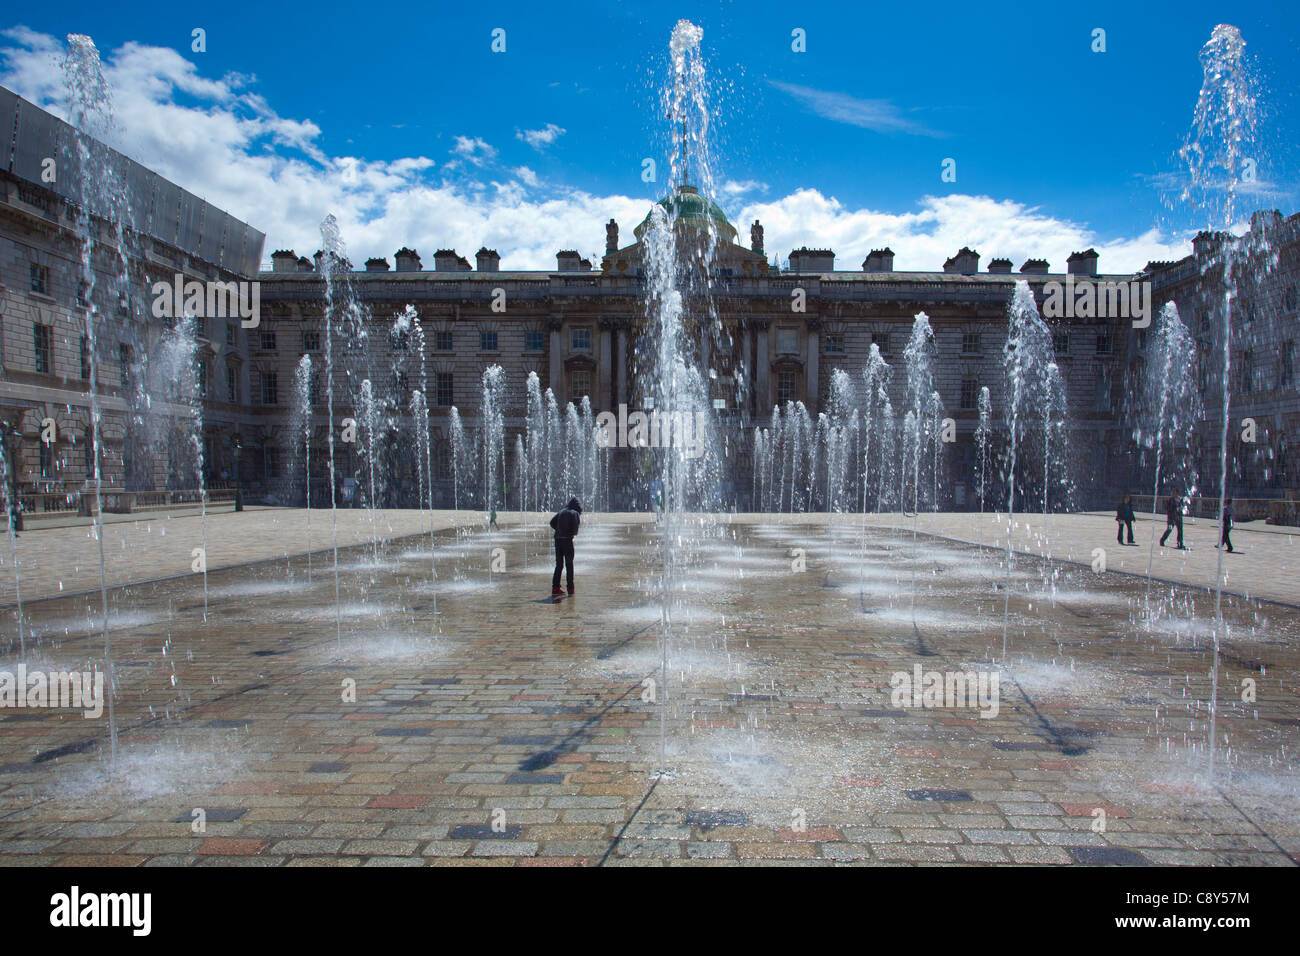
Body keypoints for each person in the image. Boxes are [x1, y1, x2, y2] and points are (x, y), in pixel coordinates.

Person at [549, 497, 582, 597]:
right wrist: (570, 532)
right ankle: (570, 588)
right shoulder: (574, 513)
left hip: (558, 539)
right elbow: (575, 530)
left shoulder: (561, 511)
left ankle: (555, 587)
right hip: (567, 540)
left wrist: (559, 529)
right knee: (569, 564)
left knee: (559, 564)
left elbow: (552, 523)